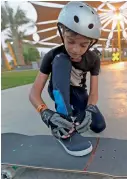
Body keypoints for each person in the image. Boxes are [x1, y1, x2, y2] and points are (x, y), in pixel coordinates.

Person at [29, 1, 106, 156]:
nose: (76, 50)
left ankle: (74, 115)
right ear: (62, 32)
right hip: (58, 89)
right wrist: (45, 112)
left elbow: (93, 93)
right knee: (60, 60)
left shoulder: (93, 59)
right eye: (70, 41)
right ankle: (62, 127)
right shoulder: (52, 55)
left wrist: (90, 108)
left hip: (79, 93)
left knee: (98, 125)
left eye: (83, 45)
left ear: (91, 43)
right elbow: (34, 94)